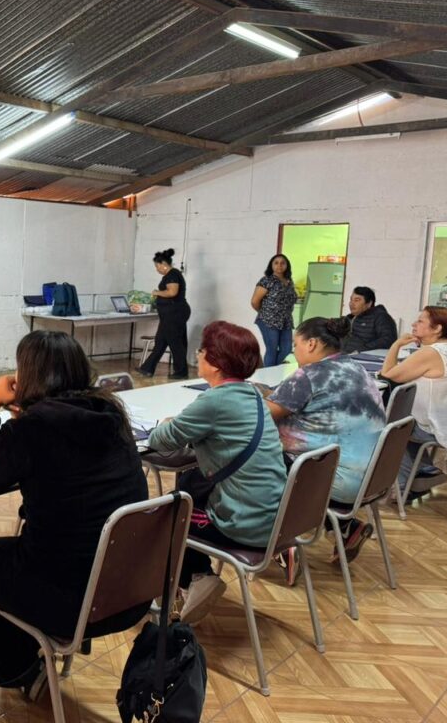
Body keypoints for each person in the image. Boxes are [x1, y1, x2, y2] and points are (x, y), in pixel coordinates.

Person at [0, 331, 148, 697]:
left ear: (29, 375)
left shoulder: (32, 429)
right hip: (126, 591)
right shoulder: (110, 414)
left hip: (70, 599)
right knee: (10, 559)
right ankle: (27, 649)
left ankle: (16, 669)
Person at [148, 321, 286, 622]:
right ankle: (187, 581)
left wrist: (168, 423)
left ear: (216, 362)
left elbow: (159, 441)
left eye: (202, 350)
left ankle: (196, 578)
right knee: (188, 484)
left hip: (245, 523)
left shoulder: (214, 401)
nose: (198, 355)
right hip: (279, 517)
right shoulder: (254, 394)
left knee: (164, 515)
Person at [265, 317, 385, 562]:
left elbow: (262, 415)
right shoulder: (356, 368)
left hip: (332, 480)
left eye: (296, 344)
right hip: (372, 476)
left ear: (311, 344)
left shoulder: (309, 375)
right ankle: (346, 527)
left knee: (253, 455)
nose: (293, 351)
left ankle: (278, 541)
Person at [380, 306, 447, 495]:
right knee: (403, 422)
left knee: (390, 427)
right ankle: (424, 473)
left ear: (437, 329)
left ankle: (408, 485)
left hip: (442, 427)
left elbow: (387, 374)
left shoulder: (431, 352)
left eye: (420, 321)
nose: (414, 324)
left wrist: (396, 345)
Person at [138, 248, 191, 379]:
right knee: (161, 341)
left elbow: (172, 292)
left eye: (157, 266)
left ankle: (181, 372)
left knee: (175, 342)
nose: (157, 269)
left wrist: (157, 293)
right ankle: (147, 368)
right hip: (171, 314)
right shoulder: (171, 275)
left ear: (163, 264)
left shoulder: (172, 274)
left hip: (175, 314)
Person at [251, 254, 297, 366]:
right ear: (271, 265)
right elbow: (254, 301)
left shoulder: (289, 281)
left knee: (287, 349)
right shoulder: (266, 280)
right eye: (276, 263)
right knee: (272, 349)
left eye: (283, 263)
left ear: (287, 265)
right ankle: (269, 373)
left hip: (286, 321)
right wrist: (266, 313)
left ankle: (273, 370)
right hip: (269, 320)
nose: (279, 265)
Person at [341, 287, 397, 353]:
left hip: (364, 357)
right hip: (344, 355)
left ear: (369, 303)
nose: (351, 304)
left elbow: (388, 340)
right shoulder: (350, 318)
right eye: (351, 300)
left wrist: (362, 349)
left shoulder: (381, 317)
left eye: (357, 300)